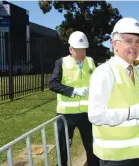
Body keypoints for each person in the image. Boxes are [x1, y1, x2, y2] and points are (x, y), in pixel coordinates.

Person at [88, 17, 139, 166]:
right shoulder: (104, 72)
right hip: (114, 156)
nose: (135, 46)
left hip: (135, 152)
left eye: (137, 41)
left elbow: (136, 107)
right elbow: (95, 115)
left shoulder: (135, 72)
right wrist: (132, 113)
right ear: (114, 44)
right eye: (129, 41)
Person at [49, 31, 99, 166]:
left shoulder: (91, 61)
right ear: (71, 50)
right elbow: (53, 84)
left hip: (86, 114)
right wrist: (73, 91)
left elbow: (99, 80)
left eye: (84, 50)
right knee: (63, 149)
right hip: (66, 115)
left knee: (92, 147)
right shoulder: (61, 63)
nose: (82, 53)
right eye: (79, 50)